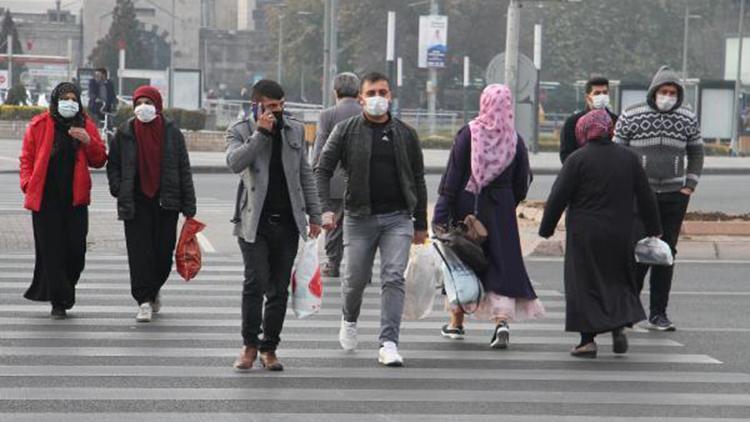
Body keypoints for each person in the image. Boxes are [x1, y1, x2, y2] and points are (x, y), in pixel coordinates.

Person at [315, 71, 428, 367]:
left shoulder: (405, 133)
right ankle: (349, 319)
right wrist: (325, 208)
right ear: (361, 97)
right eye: (373, 93)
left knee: (393, 277)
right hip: (358, 217)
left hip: (398, 218)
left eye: (384, 92)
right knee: (353, 281)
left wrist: (420, 224)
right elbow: (321, 169)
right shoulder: (346, 130)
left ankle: (388, 343)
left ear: (390, 96)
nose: (379, 98)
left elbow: (418, 179)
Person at [539, 109, 662, 358]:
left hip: (585, 233)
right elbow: (646, 196)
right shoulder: (628, 158)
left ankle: (587, 341)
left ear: (584, 130)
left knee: (584, 284)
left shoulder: (577, 159)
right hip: (620, 232)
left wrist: (546, 228)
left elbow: (558, 197)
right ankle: (618, 327)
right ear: (609, 129)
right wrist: (654, 229)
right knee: (618, 279)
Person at [433, 84, 546, 349]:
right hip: (501, 209)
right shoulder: (514, 139)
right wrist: (507, 203)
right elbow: (522, 181)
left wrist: (441, 211)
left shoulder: (468, 134)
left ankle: (456, 323)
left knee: (462, 259)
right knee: (501, 265)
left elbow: (453, 176)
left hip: (468, 207)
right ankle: (501, 323)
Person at [226, 79, 322, 371]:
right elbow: (234, 162)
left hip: (288, 222)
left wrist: (315, 215)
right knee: (255, 282)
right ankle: (249, 346)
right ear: (256, 105)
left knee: (279, 288)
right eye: (269, 107)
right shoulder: (240, 129)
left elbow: (305, 173)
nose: (276, 112)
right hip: (254, 221)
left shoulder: (293, 129)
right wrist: (260, 134)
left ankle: (270, 347)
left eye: (280, 106)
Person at [614, 66, 704, 331]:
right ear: (654, 92)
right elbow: (618, 152)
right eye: (664, 91)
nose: (668, 96)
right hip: (641, 196)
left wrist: (689, 185)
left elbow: (697, 153)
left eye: (673, 92)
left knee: (666, 254)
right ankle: (629, 309)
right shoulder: (632, 115)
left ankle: (658, 314)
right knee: (640, 251)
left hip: (675, 196)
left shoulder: (687, 117)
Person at [106, 86, 197, 323]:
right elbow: (113, 164)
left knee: (162, 255)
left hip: (166, 202)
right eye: (139, 102)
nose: (143, 107)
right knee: (139, 254)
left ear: (158, 105)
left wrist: (189, 205)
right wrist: (118, 187)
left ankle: (154, 287)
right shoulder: (124, 132)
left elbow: (183, 168)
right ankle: (143, 300)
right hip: (135, 203)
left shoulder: (172, 133)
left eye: (148, 102)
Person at [19, 82, 107, 318]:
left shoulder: (85, 124)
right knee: (52, 253)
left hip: (75, 200)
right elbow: (26, 159)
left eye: (73, 99)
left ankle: (66, 288)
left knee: (76, 252)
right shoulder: (39, 125)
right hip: (46, 201)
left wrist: (89, 141)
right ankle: (59, 301)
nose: (69, 103)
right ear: (56, 100)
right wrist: (27, 184)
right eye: (65, 98)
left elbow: (99, 160)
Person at [312, 72, 362, 278]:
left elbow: (320, 149)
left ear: (335, 92)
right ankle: (361, 268)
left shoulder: (328, 115)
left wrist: (314, 172)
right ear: (358, 92)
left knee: (332, 223)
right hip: (361, 181)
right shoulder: (366, 113)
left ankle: (333, 264)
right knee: (359, 226)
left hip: (332, 179)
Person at [559, 77, 618, 163]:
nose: (602, 96)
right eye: (597, 93)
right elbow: (566, 155)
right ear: (587, 97)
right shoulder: (572, 122)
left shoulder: (616, 120)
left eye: (605, 93)